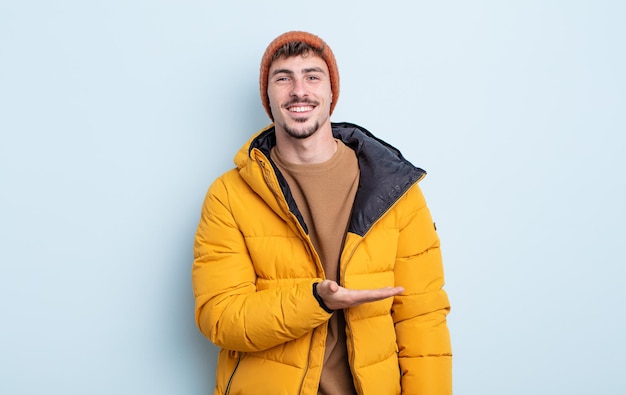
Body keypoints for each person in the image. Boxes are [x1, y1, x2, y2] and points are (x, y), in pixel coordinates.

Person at [192, 31, 452, 395]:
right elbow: (219, 317)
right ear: (267, 97)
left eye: (313, 76)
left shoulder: (395, 190)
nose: (299, 90)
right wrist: (314, 300)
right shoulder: (229, 195)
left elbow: (422, 318)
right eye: (283, 78)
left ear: (332, 92)